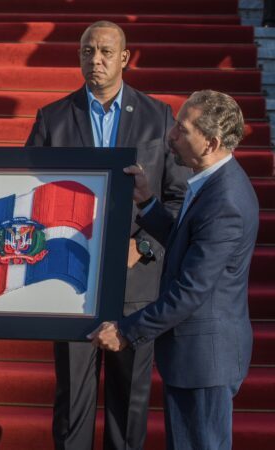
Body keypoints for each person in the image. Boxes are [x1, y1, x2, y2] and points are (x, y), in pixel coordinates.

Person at [26, 21, 189, 450]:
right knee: (71, 403)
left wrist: (146, 246)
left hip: (135, 285)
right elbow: (27, 199)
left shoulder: (159, 117)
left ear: (124, 58)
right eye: (86, 51)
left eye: (104, 52)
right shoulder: (53, 119)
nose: (94, 60)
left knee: (129, 406)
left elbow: (178, 198)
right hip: (69, 284)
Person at [90, 90, 258, 450]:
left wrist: (127, 330)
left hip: (205, 360)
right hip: (197, 356)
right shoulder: (211, 181)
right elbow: (187, 241)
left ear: (211, 142)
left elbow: (191, 291)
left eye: (182, 130)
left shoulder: (225, 200)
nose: (171, 136)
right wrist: (148, 202)